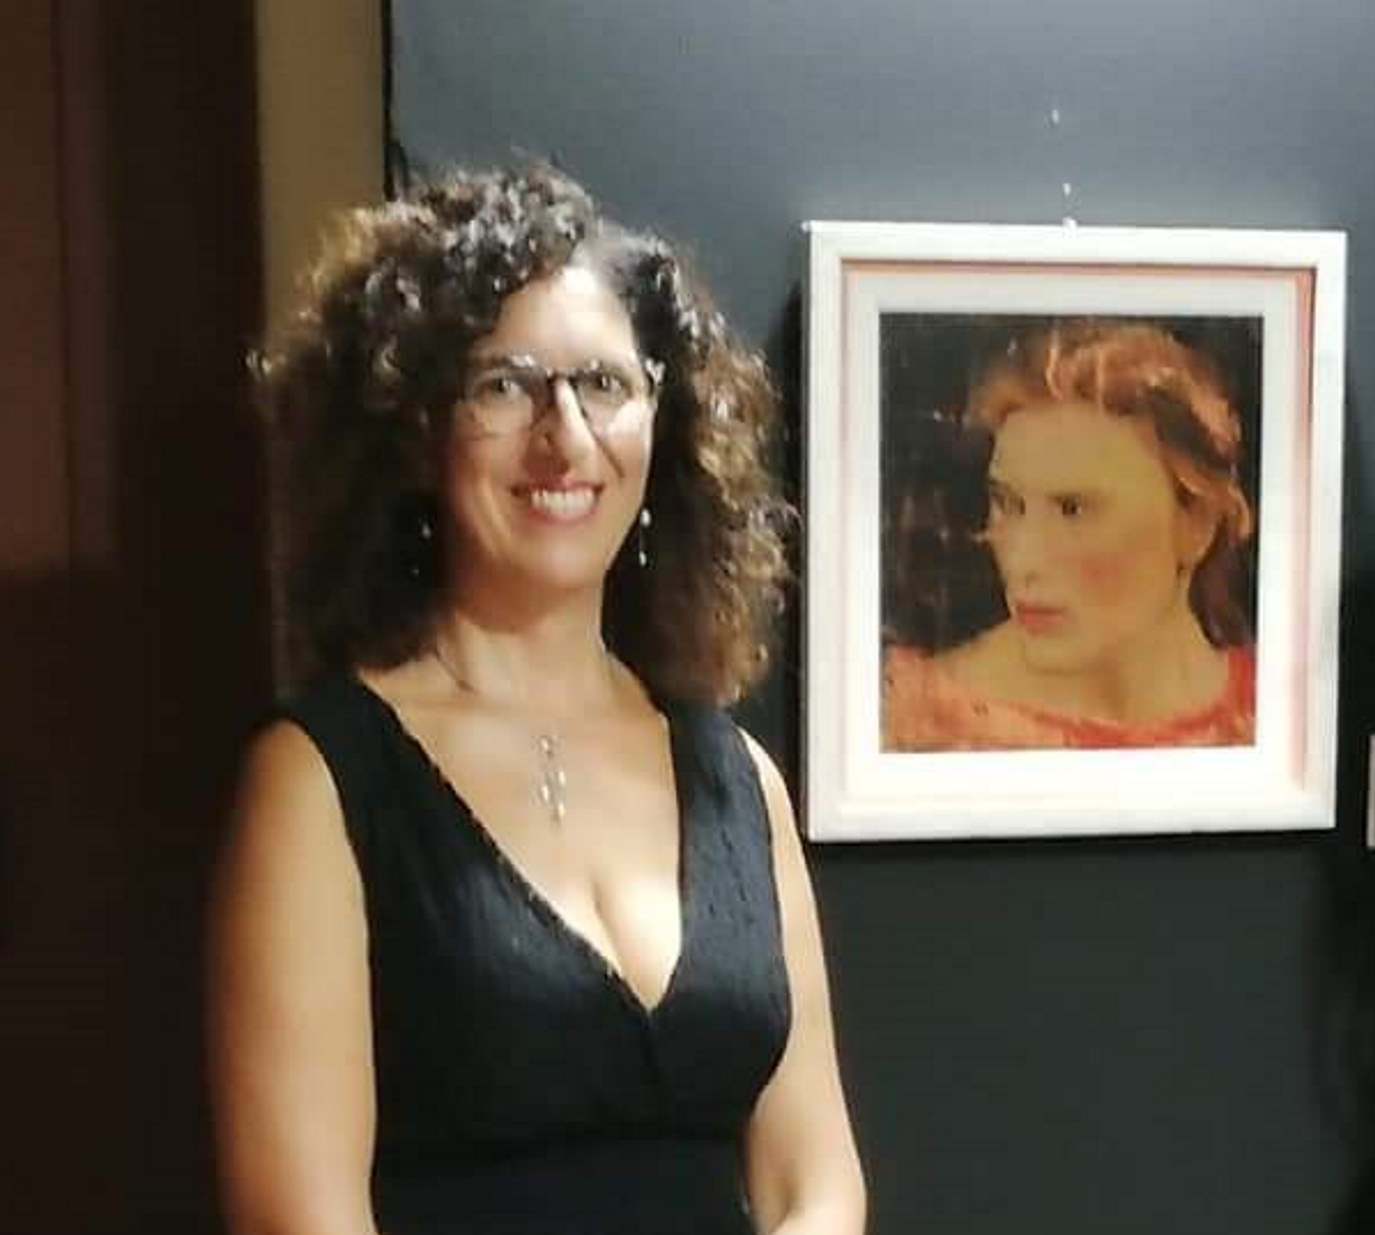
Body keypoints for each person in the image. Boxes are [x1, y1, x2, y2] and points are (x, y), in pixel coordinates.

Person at [207, 165, 865, 1235]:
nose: (564, 436)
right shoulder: (319, 779)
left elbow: (814, 1182)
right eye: (504, 386)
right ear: (415, 430)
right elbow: (301, 1218)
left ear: (661, 420)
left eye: (603, 384)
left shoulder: (738, 780)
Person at [884, 321, 1256, 751]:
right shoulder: (918, 722)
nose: (1022, 560)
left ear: (1197, 524)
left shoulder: (1278, 714)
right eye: (1008, 504)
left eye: (1072, 510)